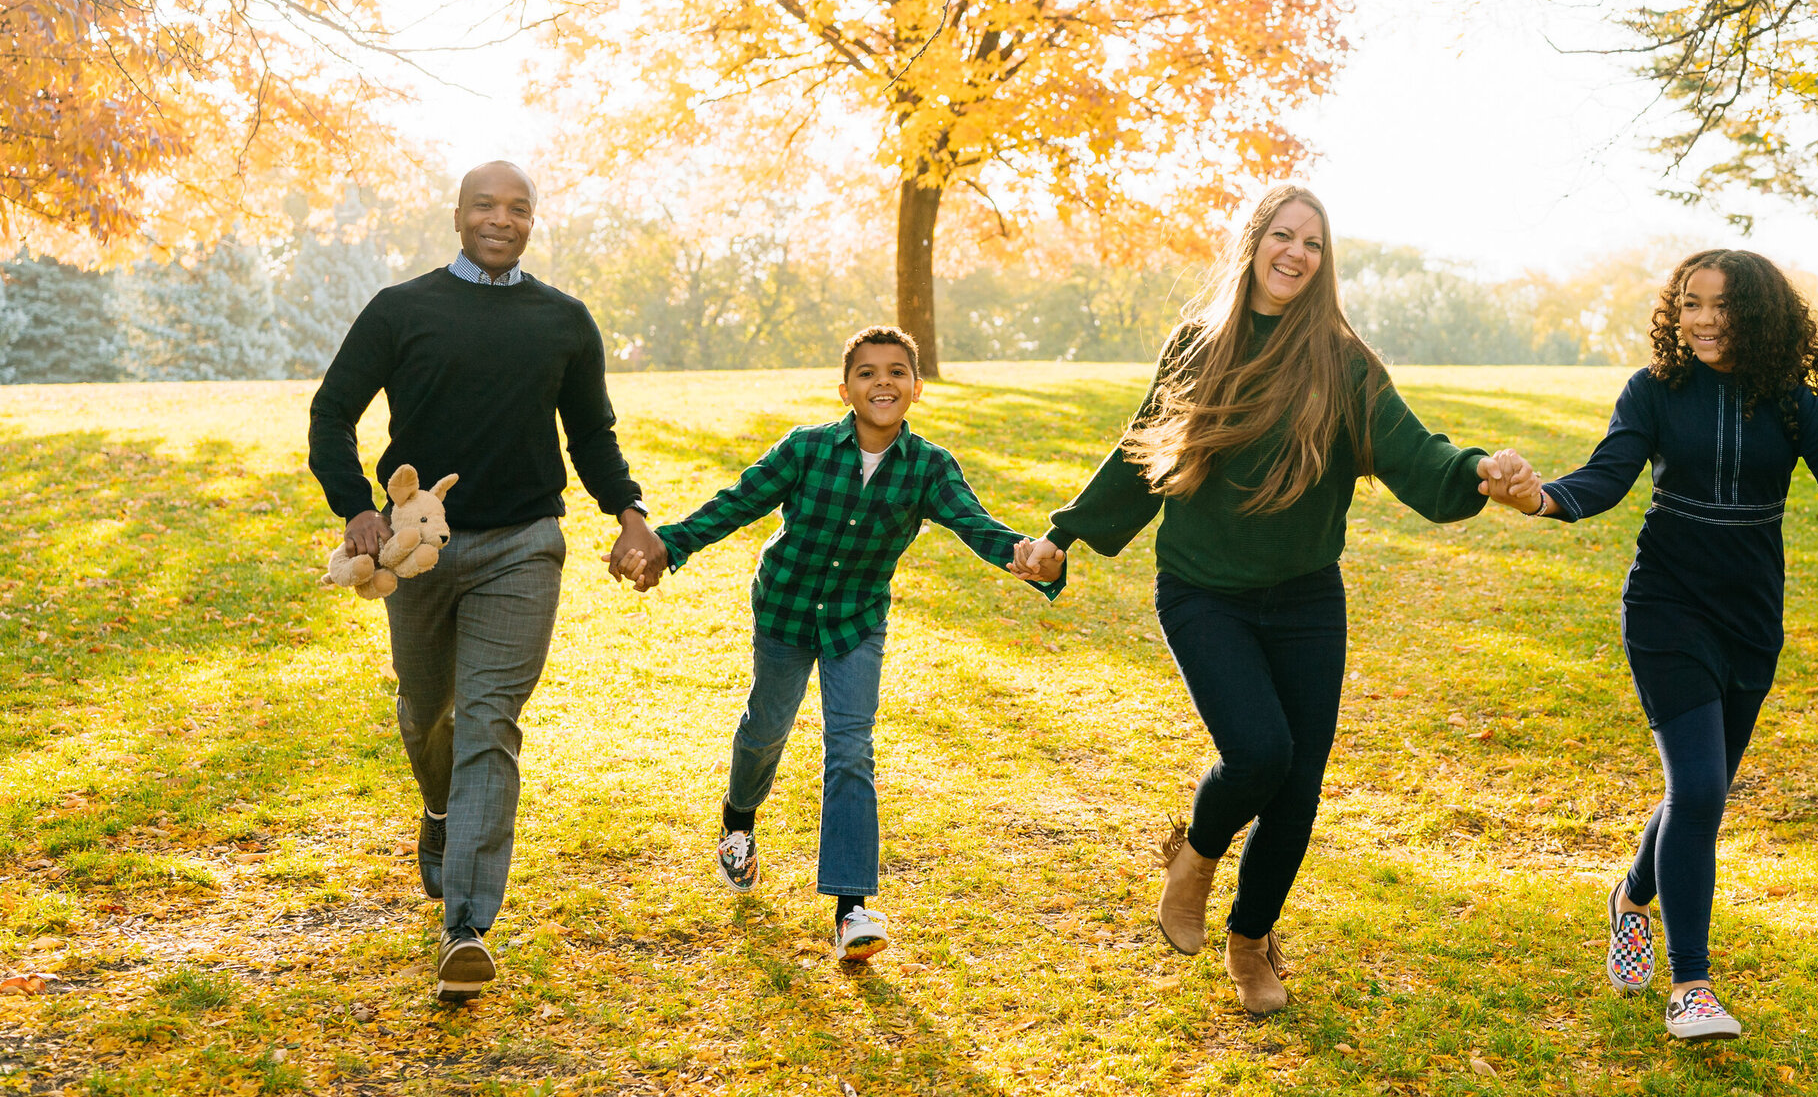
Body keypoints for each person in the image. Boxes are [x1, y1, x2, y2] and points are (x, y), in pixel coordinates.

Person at [1020, 185, 1535, 1015]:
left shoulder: (1342, 360)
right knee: (1260, 753)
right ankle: (1195, 850)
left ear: (1326, 263)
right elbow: (1142, 451)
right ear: (1254, 241)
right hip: (1202, 592)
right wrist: (1064, 537)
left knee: (1297, 790)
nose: (1297, 253)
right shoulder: (1199, 346)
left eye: (1315, 244)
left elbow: (1411, 449)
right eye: (1284, 236)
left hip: (1305, 599)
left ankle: (1251, 940)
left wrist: (1476, 471)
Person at [1482, 249, 1818, 1042]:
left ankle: (1629, 898)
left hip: (1750, 620)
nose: (1704, 319)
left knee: (1700, 790)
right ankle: (1691, 987)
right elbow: (1610, 475)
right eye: (1690, 303)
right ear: (1674, 312)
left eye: (1721, 306)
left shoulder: (1789, 403)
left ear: (1757, 315)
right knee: (1701, 791)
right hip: (1667, 609)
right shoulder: (1653, 391)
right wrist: (1542, 498)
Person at [308, 161, 669, 1004]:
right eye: (485, 206)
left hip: (523, 545)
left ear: (532, 221)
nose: (500, 220)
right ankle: (438, 812)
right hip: (419, 553)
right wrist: (355, 509)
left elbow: (592, 433)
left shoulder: (564, 321)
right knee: (424, 710)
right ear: (458, 214)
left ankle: (464, 925)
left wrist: (630, 512)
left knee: (490, 723)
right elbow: (332, 411)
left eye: (517, 209)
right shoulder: (402, 309)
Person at [614, 325, 1064, 962]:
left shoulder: (929, 467)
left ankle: (851, 907)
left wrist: (1024, 557)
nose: (883, 382)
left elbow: (973, 522)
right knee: (767, 727)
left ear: (916, 386)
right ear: (846, 387)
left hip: (857, 620)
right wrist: (668, 545)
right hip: (787, 609)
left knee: (850, 746)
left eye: (897, 372)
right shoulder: (805, 449)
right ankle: (738, 819)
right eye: (867, 372)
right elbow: (736, 504)